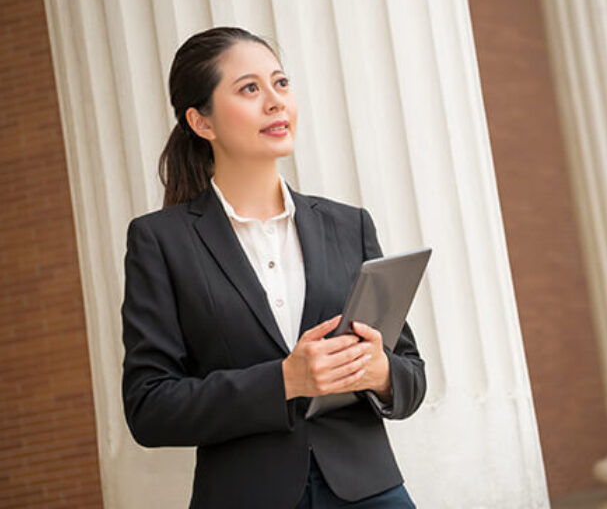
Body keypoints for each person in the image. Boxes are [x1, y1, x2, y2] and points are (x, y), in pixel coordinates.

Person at [120, 26, 426, 508]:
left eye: (281, 83)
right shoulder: (160, 241)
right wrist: (284, 380)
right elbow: (149, 407)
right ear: (202, 123)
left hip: (369, 491)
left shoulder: (349, 226)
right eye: (249, 88)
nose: (275, 101)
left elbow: (411, 377)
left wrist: (380, 370)